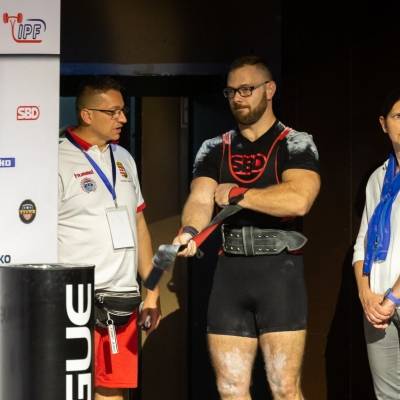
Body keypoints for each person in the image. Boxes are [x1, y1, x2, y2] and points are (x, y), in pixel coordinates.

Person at [173, 56, 320, 400]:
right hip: (231, 273)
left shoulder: (296, 142)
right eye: (231, 92)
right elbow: (201, 198)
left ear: (269, 90)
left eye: (246, 89)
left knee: (285, 388)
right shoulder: (214, 147)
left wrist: (240, 194)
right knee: (230, 389)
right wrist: (190, 231)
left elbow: (299, 200)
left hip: (279, 271)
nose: (237, 98)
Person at [58, 76, 161, 400]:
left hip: (121, 298)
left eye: (123, 110)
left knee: (112, 391)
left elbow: (139, 224)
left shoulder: (124, 157)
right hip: (73, 299)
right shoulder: (55, 158)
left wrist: (152, 291)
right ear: (87, 114)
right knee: (70, 388)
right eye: (113, 112)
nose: (123, 119)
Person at [353, 89, 400, 399]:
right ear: (384, 124)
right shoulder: (377, 178)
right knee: (387, 395)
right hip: (378, 304)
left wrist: (393, 297)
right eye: (398, 116)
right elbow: (362, 241)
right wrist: (365, 293)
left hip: (391, 299)